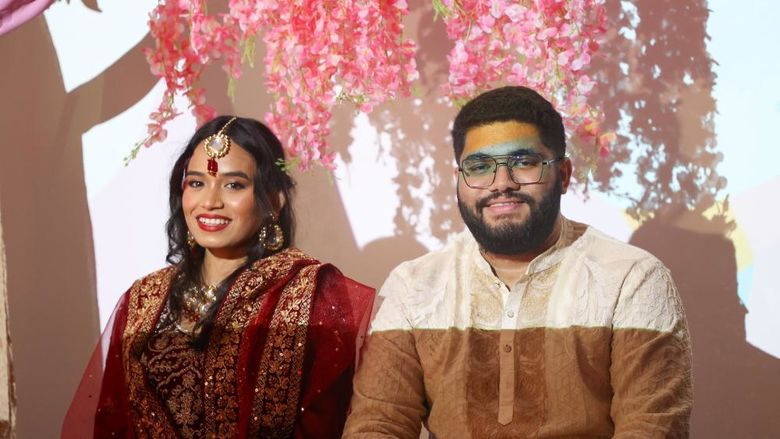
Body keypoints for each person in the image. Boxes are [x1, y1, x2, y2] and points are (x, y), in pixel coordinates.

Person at [343, 86, 692, 438]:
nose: (501, 184)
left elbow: (652, 428)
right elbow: (378, 423)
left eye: (524, 163)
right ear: (459, 181)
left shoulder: (630, 278)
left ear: (565, 174)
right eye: (480, 167)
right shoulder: (415, 285)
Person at [63, 116, 374, 438]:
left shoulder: (312, 296)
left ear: (274, 200)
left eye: (234, 185)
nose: (210, 202)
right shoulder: (144, 299)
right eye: (196, 183)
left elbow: (330, 424)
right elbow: (113, 423)